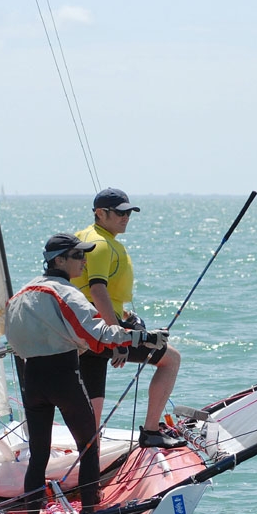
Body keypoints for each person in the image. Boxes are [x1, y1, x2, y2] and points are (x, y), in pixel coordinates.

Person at [4, 233, 169, 514]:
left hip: (32, 380)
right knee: (89, 445)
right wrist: (146, 337)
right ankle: (92, 513)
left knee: (39, 453)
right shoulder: (63, 292)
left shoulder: (20, 295)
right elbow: (100, 332)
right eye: (78, 255)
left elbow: (13, 343)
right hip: (64, 377)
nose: (84, 260)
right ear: (59, 260)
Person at [72, 188, 185, 449]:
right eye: (120, 212)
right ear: (100, 213)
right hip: (100, 330)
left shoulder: (84, 237)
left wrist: (125, 317)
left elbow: (89, 291)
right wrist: (118, 337)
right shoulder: (100, 244)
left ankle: (87, 461)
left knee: (94, 412)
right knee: (170, 359)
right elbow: (97, 289)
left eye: (129, 212)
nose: (126, 217)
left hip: (85, 330)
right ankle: (151, 430)